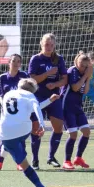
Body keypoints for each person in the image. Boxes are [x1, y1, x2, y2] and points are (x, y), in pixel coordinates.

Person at [0, 54, 58, 171]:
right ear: (9, 62)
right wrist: (4, 106)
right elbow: (1, 95)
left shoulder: (23, 77)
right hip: (8, 112)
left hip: (23, 112)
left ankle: (20, 162)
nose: (16, 63)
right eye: (14, 61)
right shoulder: (2, 78)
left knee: (20, 136)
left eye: (18, 61)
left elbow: (33, 99)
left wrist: (48, 101)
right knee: (5, 136)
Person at [0, 78, 51, 187]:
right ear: (32, 91)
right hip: (23, 130)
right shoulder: (30, 95)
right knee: (25, 163)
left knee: (12, 147)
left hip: (5, 133)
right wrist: (42, 124)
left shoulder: (8, 94)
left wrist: (49, 101)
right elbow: (36, 107)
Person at [28, 33, 68, 168]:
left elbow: (65, 79)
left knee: (58, 128)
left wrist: (55, 85)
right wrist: (46, 74)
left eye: (51, 45)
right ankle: (35, 160)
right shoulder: (36, 59)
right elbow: (32, 80)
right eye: (46, 44)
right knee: (36, 129)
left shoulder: (59, 59)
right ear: (41, 44)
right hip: (38, 97)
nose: (49, 47)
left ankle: (51, 157)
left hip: (54, 98)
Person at [61, 52, 94, 170]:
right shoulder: (73, 71)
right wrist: (86, 76)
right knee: (73, 134)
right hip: (67, 107)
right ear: (76, 62)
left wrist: (88, 77)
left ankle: (78, 158)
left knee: (86, 132)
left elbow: (85, 91)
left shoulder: (84, 74)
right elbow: (75, 87)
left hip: (77, 107)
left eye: (86, 66)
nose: (83, 68)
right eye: (81, 64)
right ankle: (67, 161)